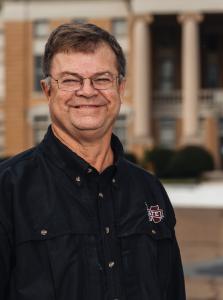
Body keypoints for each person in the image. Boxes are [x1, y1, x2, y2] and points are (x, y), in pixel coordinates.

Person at [0, 23, 186, 300]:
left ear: (120, 88)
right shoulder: (8, 190)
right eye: (71, 80)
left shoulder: (149, 190)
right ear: (48, 90)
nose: (87, 91)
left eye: (102, 79)